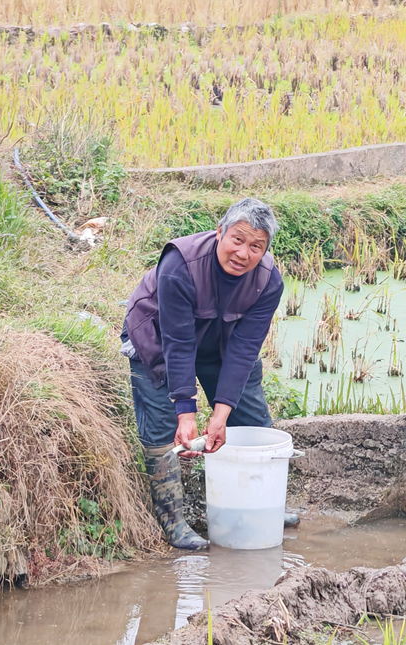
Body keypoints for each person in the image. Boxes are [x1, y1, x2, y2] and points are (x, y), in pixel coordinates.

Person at [121, 198, 288, 550]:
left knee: (250, 414)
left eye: (256, 246)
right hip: (157, 337)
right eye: (237, 240)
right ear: (219, 233)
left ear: (265, 251)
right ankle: (173, 520)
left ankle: (259, 503)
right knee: (164, 425)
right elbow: (177, 343)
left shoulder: (268, 281)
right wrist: (187, 412)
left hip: (219, 341)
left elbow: (245, 349)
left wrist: (221, 413)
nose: (244, 253)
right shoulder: (180, 264)